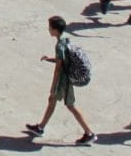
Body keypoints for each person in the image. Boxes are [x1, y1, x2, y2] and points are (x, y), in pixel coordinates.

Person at [26, 15, 95, 143]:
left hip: (64, 80)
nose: (49, 30)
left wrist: (53, 86)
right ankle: (40, 128)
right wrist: (49, 59)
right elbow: (62, 60)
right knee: (52, 100)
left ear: (55, 30)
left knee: (70, 105)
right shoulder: (65, 39)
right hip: (64, 78)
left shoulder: (59, 46)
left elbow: (59, 68)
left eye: (50, 28)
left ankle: (89, 133)